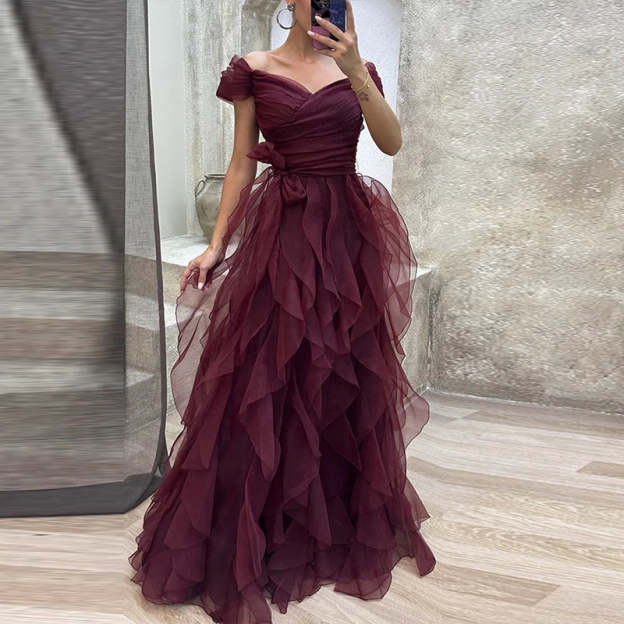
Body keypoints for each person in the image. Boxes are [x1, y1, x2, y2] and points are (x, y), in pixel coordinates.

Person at [128, 1, 436, 622]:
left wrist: (356, 69)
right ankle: (257, 526)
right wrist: (216, 244)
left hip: (346, 234)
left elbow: (391, 141)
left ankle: (330, 517)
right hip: (282, 232)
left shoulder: (357, 68)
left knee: (341, 369)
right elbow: (242, 160)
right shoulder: (253, 68)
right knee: (265, 371)